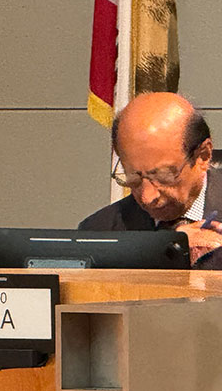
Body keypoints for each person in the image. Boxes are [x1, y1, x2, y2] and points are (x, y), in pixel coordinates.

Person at [78, 92, 222, 267]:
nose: (148, 197)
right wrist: (163, 250)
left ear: (203, 156)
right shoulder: (100, 230)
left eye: (163, 176)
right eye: (134, 178)